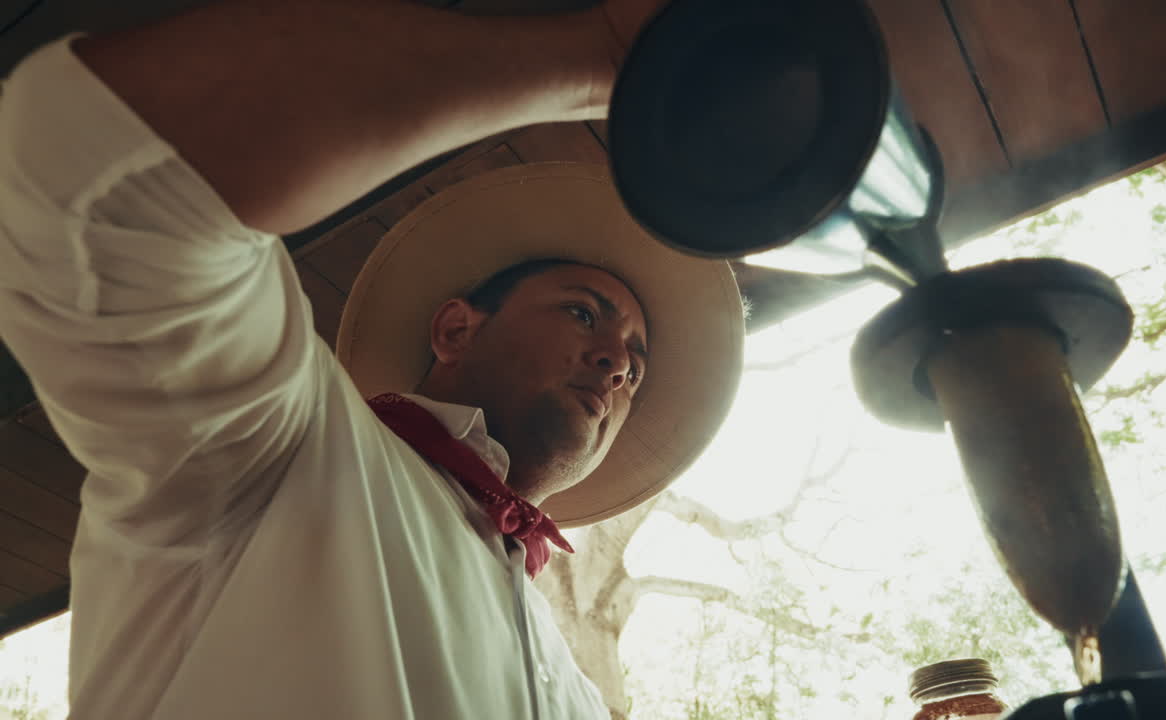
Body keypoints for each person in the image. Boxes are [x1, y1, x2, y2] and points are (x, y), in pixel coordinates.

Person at [0, 1, 744, 718]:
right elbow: (97, 175)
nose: (618, 366)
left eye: (636, 370)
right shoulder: (277, 449)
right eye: (583, 312)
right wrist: (605, 56)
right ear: (455, 330)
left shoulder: (576, 695)